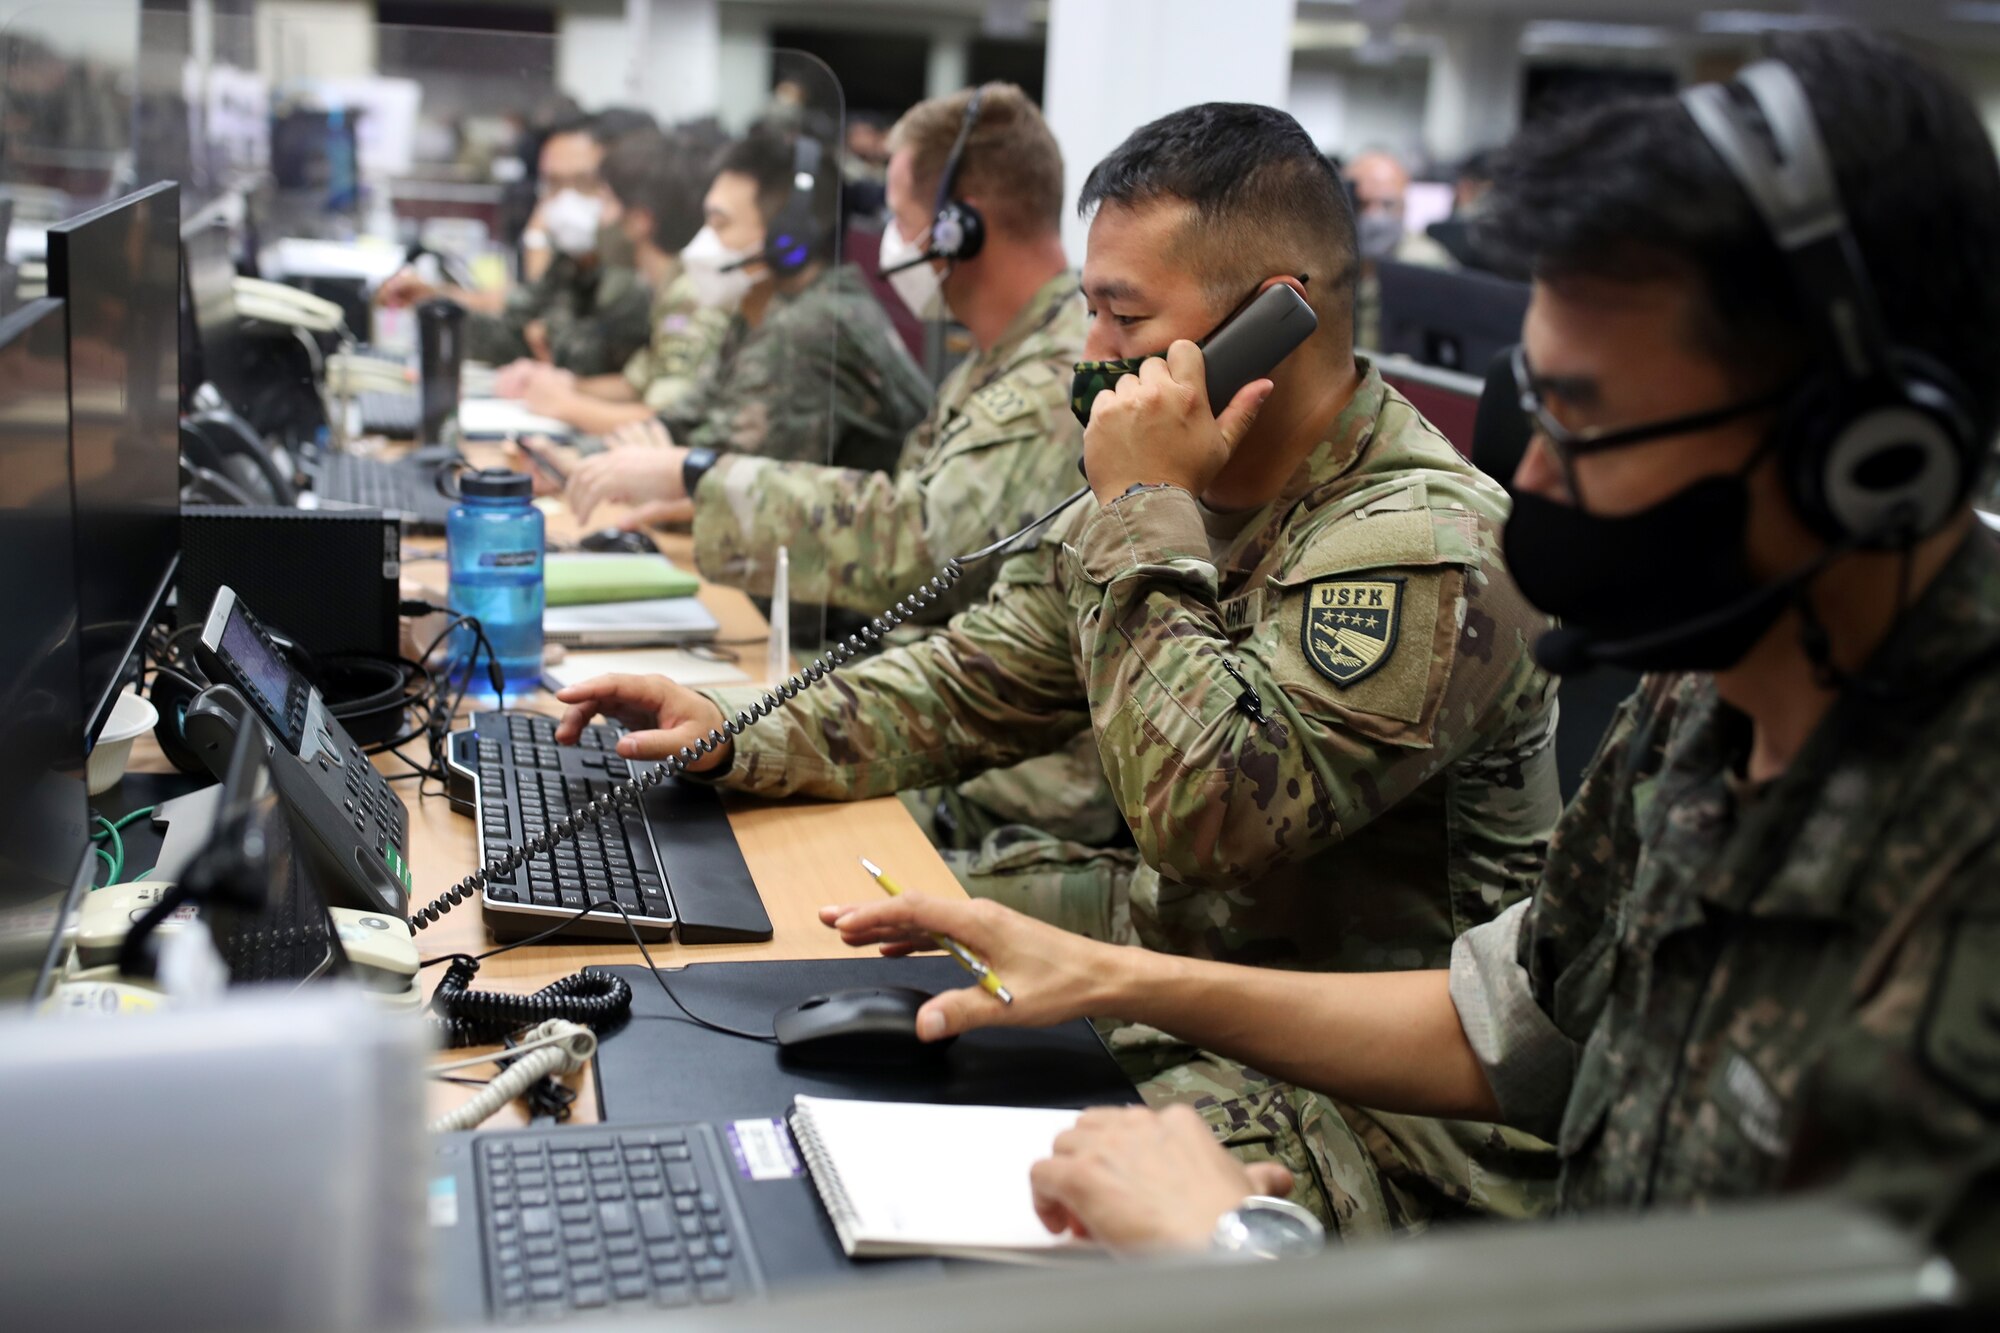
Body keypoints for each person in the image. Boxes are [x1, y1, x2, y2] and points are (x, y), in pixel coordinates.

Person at [814, 32, 2000, 1286]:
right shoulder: (1706, 689)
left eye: (1585, 422)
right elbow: (1509, 1023)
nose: (1529, 480)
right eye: (1533, 407)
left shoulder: (1956, 863)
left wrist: (1231, 1251)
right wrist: (1116, 976)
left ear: (1867, 459)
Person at [553, 103, 1563, 1237]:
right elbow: (972, 678)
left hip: (1375, 1109)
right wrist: (739, 728)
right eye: (1089, 309)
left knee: (920, 1219)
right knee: (780, 993)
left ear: (1276, 318)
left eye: (1124, 316)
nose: (1089, 356)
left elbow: (1209, 818)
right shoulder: (1178, 488)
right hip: (1180, 982)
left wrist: (1139, 507)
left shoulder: (1422, 543)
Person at [557, 83, 1134, 924]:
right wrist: (737, 729)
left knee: (752, 892)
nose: (889, 244)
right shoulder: (996, 358)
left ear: (956, 225)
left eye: (902, 216)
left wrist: (700, 479)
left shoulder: (1056, 371)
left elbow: (935, 544)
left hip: (1005, 782)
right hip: (933, 715)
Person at [560, 125, 930, 517]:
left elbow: (734, 486)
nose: (704, 241)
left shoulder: (811, 327)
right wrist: (583, 460)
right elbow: (688, 424)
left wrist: (656, 475)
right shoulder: (760, 308)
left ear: (787, 240)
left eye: (720, 224)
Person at [378, 112, 652, 375]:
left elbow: (585, 361)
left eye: (584, 182)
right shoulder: (574, 259)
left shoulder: (636, 273)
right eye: (554, 184)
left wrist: (537, 244)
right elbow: (518, 321)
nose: (568, 201)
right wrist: (433, 303)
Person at [497, 130, 728, 431]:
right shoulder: (667, 285)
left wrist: (566, 406)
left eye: (605, 201)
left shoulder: (690, 294)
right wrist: (564, 384)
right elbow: (634, 385)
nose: (597, 219)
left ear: (638, 222)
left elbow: (668, 422)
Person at [1345, 148, 1454, 351]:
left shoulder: (1424, 263)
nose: (1374, 215)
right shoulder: (1329, 256)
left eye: (1387, 204)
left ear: (1404, 207)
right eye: (1363, 203)